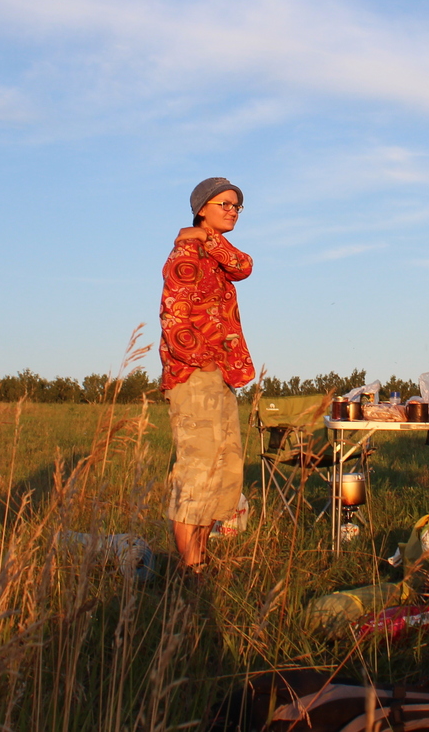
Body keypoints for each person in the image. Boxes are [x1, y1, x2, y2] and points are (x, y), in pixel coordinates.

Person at [158, 176, 256, 572]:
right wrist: (203, 362)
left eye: (237, 206)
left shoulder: (212, 252)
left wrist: (207, 236)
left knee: (224, 473)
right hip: (194, 377)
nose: (232, 210)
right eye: (224, 204)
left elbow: (244, 266)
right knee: (198, 474)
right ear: (202, 206)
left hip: (220, 378)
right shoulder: (185, 256)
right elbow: (173, 317)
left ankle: (198, 559)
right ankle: (191, 570)